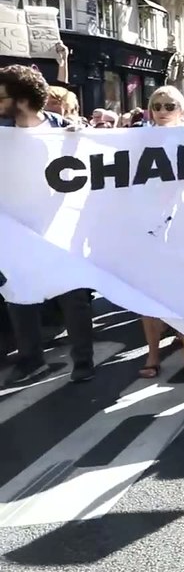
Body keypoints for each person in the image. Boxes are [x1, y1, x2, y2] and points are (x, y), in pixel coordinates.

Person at [0, 65, 95, 386]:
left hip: (59, 232)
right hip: (16, 233)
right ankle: (29, 359)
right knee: (17, 295)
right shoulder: (1, 131)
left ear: (23, 99)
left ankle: (83, 360)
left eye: (2, 96)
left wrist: (80, 137)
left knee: (73, 296)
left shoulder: (65, 131)